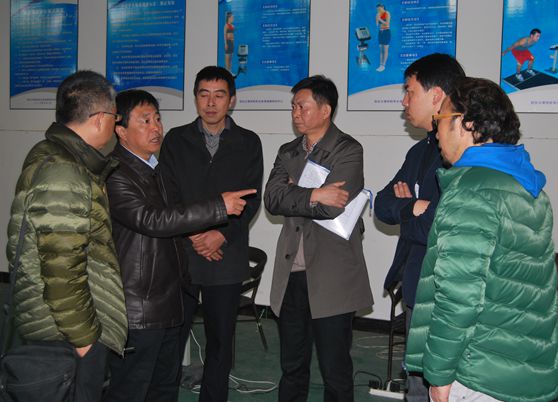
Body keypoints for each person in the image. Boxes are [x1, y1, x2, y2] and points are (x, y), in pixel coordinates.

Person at [405, 77, 558, 402]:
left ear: (466, 123)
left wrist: (439, 374)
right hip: (525, 368)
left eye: (440, 120)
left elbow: (458, 297)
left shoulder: (471, 192)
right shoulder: (528, 187)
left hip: (477, 373)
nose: (436, 132)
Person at [103, 89, 256, 402]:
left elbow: (176, 208)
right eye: (145, 121)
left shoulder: (153, 168)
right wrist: (218, 208)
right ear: (121, 130)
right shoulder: (115, 173)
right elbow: (153, 219)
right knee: (131, 387)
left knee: (164, 385)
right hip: (139, 304)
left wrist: (209, 232)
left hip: (167, 297)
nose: (156, 128)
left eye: (157, 119)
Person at [6, 70, 128, 402]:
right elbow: (61, 268)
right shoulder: (65, 171)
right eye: (115, 116)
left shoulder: (56, 155)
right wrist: (85, 338)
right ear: (101, 119)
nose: (115, 124)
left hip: (59, 322)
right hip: (66, 329)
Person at [264, 75, 374, 402]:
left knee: (334, 370)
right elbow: (271, 199)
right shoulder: (288, 151)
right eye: (293, 107)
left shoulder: (348, 149)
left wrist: (294, 191)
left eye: (302, 106)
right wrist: (315, 193)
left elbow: (333, 208)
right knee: (292, 367)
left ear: (325, 110)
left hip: (331, 275)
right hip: (292, 274)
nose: (295, 113)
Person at [159, 66, 263, 402]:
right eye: (204, 95)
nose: (211, 103)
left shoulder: (248, 142)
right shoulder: (176, 139)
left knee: (220, 342)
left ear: (231, 100)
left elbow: (252, 198)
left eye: (219, 95)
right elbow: (168, 193)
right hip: (182, 254)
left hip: (225, 256)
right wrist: (193, 234)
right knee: (171, 338)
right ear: (195, 99)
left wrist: (221, 235)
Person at [374, 53, 465, 402]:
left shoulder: (461, 157)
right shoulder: (419, 152)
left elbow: (437, 229)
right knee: (416, 385)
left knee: (444, 388)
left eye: (410, 91)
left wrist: (411, 215)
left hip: (447, 293)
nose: (404, 101)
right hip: (415, 288)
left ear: (436, 95)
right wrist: (413, 206)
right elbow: (383, 205)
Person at [375, 3, 391, 72]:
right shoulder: (378, 14)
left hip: (386, 32)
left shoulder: (387, 13)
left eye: (379, 9)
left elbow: (387, 23)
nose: (378, 10)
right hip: (380, 32)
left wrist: (380, 19)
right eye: (377, 9)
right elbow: (377, 24)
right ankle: (380, 65)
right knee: (381, 49)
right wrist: (377, 18)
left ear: (383, 7)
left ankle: (383, 65)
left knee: (385, 49)